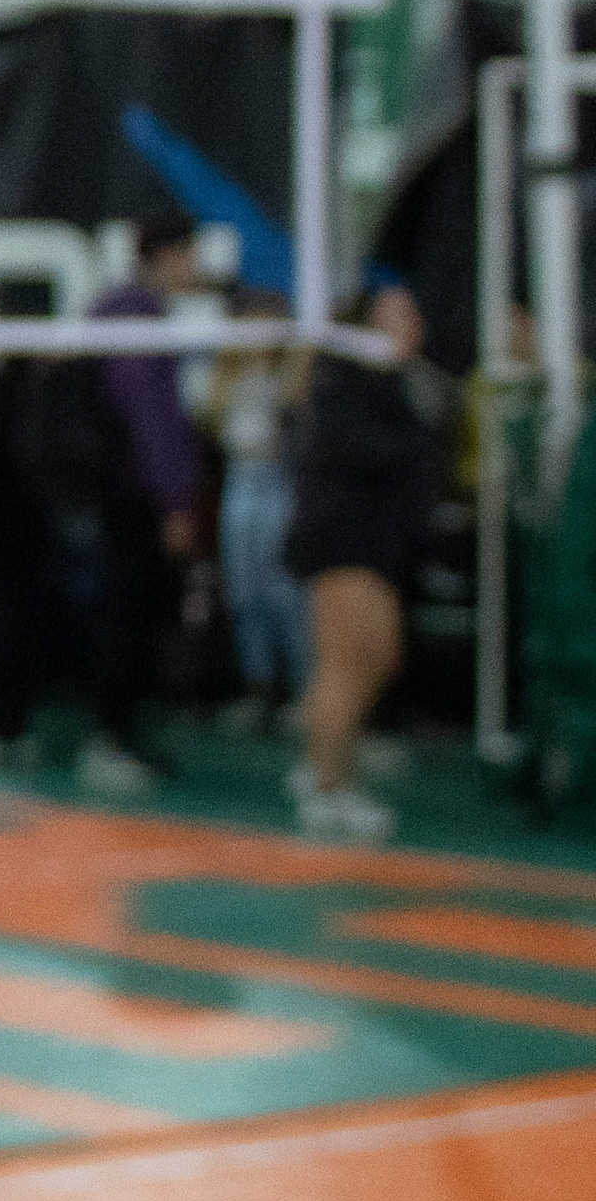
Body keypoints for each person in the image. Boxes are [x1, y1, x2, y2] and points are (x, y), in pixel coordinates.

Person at [286, 282, 442, 844]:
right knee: (348, 663)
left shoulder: (397, 382)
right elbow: (369, 452)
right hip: (344, 539)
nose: (411, 323)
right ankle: (329, 786)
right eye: (396, 313)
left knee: (378, 658)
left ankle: (320, 761)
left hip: (377, 542)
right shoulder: (343, 382)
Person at [67, 215, 212, 797]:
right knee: (129, 615)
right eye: (190, 255)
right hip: (131, 496)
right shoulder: (134, 317)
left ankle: (119, 734)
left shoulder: (123, 311)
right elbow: (150, 418)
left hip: (120, 491)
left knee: (129, 613)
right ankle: (112, 739)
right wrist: (176, 500)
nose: (198, 269)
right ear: (166, 255)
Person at [212, 285, 309, 734]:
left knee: (285, 592)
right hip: (240, 488)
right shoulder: (227, 377)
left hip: (280, 489)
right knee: (244, 590)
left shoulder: (294, 381)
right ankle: (258, 685)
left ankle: (304, 690)